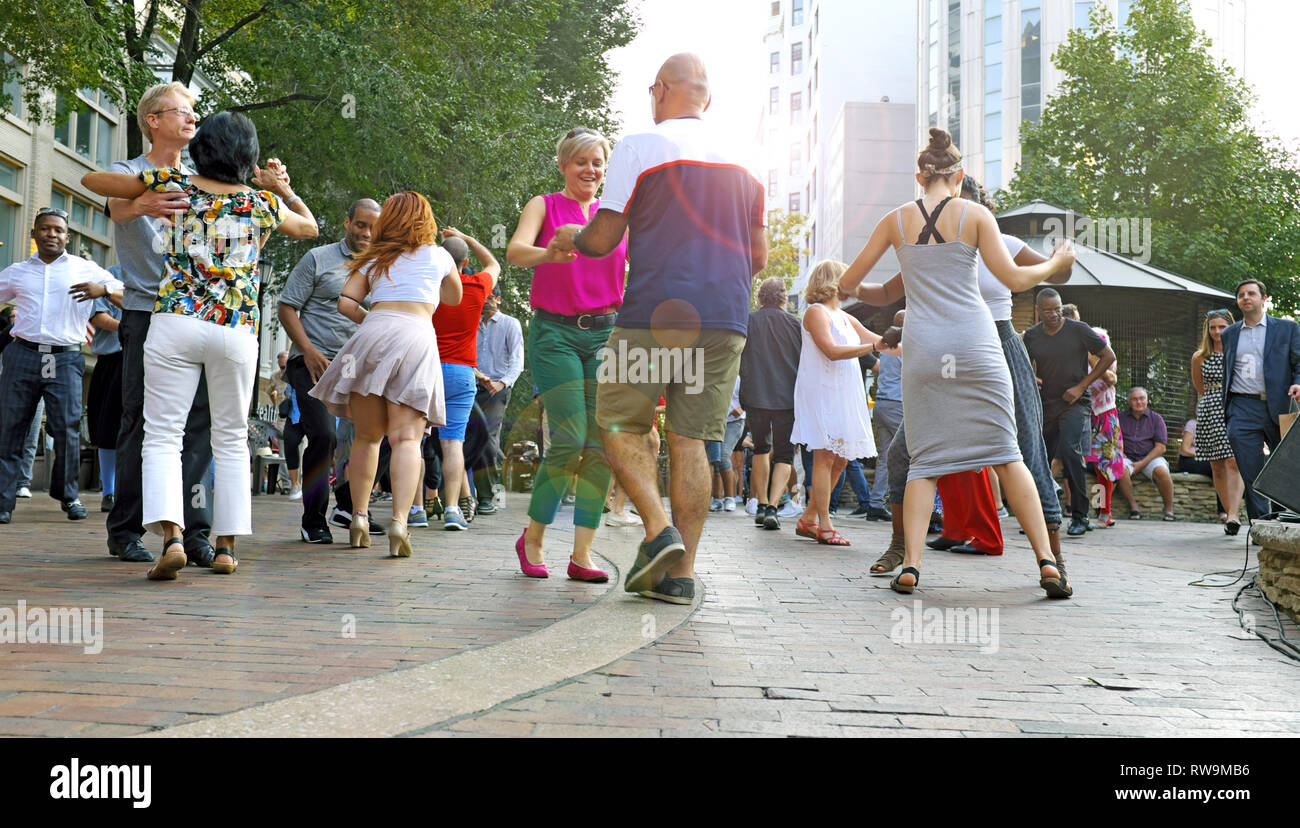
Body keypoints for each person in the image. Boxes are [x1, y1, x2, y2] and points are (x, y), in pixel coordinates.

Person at [547, 53, 767, 603]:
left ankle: (656, 528)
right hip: (725, 318)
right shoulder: (747, 160)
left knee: (618, 419)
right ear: (707, 99)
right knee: (693, 440)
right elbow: (758, 256)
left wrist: (570, 236)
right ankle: (681, 576)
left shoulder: (640, 147)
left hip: (654, 314)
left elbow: (602, 238)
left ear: (661, 90)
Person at [839, 127, 1076, 597]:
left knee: (924, 461)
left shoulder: (895, 220)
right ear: (959, 174)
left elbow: (861, 287)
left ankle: (910, 565)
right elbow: (1011, 276)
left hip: (925, 352)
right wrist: (1054, 262)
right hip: (976, 345)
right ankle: (1048, 563)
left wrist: (844, 287)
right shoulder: (976, 215)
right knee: (1008, 456)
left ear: (918, 176)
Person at [82, 111, 318, 578]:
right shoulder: (263, 203)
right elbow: (309, 228)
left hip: (175, 322)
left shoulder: (173, 184)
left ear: (200, 149)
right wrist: (279, 187)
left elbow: (94, 181)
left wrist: (146, 189)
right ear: (247, 159)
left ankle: (172, 537)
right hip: (235, 330)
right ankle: (225, 546)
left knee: (162, 433)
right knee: (230, 437)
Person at [505, 126, 627, 583]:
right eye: (581, 162)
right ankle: (533, 539)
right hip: (555, 332)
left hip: (605, 335)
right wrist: (550, 256)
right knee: (572, 437)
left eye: (597, 163)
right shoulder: (545, 205)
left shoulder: (615, 216)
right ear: (563, 165)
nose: (590, 170)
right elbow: (516, 251)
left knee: (601, 445)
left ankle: (582, 555)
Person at [310, 191, 461, 557]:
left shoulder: (373, 257)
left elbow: (345, 301)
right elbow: (454, 298)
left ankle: (359, 518)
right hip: (416, 336)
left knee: (367, 438)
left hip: (371, 336)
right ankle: (399, 523)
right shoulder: (439, 256)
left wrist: (373, 319)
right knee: (407, 440)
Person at [103, 81, 215, 565]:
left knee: (199, 425)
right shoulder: (128, 172)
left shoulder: (202, 176)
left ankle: (194, 535)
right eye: (182, 111)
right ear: (153, 120)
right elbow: (113, 204)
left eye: (194, 112)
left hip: (197, 313)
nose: (192, 118)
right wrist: (143, 204)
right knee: (139, 421)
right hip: (145, 312)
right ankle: (126, 530)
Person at [0, 209, 124, 525]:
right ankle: (3, 501)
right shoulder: (16, 272)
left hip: (67, 357)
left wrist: (105, 290)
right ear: (34, 234)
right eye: (45, 229)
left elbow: (127, 295)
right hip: (22, 355)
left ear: (67, 237)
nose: (51, 234)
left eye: (57, 230)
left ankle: (68, 496)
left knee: (67, 429)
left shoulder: (85, 268)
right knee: (10, 428)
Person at [279, 198, 383, 539]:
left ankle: (348, 506)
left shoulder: (381, 267)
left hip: (354, 362)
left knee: (375, 435)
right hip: (312, 358)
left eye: (373, 227)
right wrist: (307, 350)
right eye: (360, 225)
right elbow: (286, 307)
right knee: (324, 435)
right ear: (347, 222)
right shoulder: (318, 258)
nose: (366, 233)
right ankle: (313, 521)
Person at [789, 261, 880, 546]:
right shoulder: (816, 313)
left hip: (845, 391)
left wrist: (908, 342)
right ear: (834, 281)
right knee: (825, 455)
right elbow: (831, 350)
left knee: (842, 457)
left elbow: (879, 341)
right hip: (824, 391)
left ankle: (808, 518)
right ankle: (824, 523)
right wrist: (875, 347)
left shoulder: (844, 316)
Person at [1023, 288, 1116, 537]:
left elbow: (1108, 356)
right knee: (1040, 459)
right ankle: (1043, 514)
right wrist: (1031, 377)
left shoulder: (1078, 329)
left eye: (1057, 309)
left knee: (1071, 452)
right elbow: (1020, 363)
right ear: (1038, 310)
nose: (1053, 314)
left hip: (1076, 403)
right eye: (1047, 310)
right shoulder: (1032, 336)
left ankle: (1080, 515)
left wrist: (1081, 386)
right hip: (1046, 405)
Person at [431, 227, 500, 530]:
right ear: (464, 261)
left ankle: (414, 511)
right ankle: (451, 510)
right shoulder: (476, 286)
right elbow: (494, 264)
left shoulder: (428, 286)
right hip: (461, 373)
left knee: (414, 440)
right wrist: (469, 239)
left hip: (427, 369)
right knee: (453, 444)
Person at [1220, 280, 1300, 522]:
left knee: (1282, 469)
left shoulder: (1288, 329)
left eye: (1251, 293)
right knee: (1250, 468)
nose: (1246, 298)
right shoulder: (1229, 334)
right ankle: (1260, 525)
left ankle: (1282, 520)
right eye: (1241, 295)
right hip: (1242, 407)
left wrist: (1298, 382)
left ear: (1264, 298)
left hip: (1280, 405)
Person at [740, 276, 801, 530]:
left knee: (761, 448)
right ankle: (774, 507)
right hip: (787, 397)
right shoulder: (795, 324)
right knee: (785, 454)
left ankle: (762, 503)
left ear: (760, 296)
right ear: (784, 297)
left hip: (756, 394)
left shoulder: (748, 321)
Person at [1190, 309, 1243, 533]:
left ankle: (1234, 513)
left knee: (1233, 460)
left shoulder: (1238, 350)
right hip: (1209, 407)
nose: (1217, 331)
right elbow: (1199, 387)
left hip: (1233, 405)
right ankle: (1229, 513)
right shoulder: (1199, 356)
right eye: (1213, 327)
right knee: (1216, 463)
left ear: (1230, 326)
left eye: (1221, 326)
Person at [472, 282, 523, 515]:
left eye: (491, 297)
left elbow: (517, 360)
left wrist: (501, 383)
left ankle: (486, 497)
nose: (486, 301)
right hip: (470, 384)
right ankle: (459, 497)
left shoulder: (510, 324)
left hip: (498, 388)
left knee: (487, 439)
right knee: (458, 438)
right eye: (483, 296)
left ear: (499, 299)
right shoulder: (471, 322)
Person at [88, 266, 125, 513]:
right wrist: (128, 329)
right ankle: (109, 491)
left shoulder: (165, 274)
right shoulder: (107, 276)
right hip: (112, 359)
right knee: (107, 425)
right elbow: (97, 316)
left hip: (150, 359)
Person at [1083, 327, 1123, 528]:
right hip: (1085, 416)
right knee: (1091, 468)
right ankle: (1099, 512)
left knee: (1104, 466)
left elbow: (1109, 379)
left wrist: (1092, 358)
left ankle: (1105, 513)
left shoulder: (1107, 359)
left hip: (1106, 415)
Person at [1115, 387, 1176, 520]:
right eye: (1134, 399)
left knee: (1162, 471)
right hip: (1127, 456)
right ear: (1129, 401)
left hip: (1150, 457)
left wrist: (1142, 464)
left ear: (1147, 400)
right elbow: (1113, 440)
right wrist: (1120, 452)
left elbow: (1161, 447)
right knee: (1120, 469)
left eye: (1142, 398)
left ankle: (1169, 509)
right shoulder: (1119, 418)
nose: (1139, 402)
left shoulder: (1156, 419)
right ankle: (1134, 507)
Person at [706, 377, 745, 512]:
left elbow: (749, 396)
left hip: (734, 422)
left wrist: (741, 407)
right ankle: (717, 499)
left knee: (723, 456)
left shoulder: (737, 377)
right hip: (714, 422)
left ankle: (730, 498)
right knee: (714, 459)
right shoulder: (711, 374)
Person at [273, 351, 305, 499]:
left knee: (311, 450)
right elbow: (286, 392)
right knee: (290, 444)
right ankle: (294, 484)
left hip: (313, 413)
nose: (283, 369)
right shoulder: (291, 372)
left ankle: (305, 483)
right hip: (294, 416)